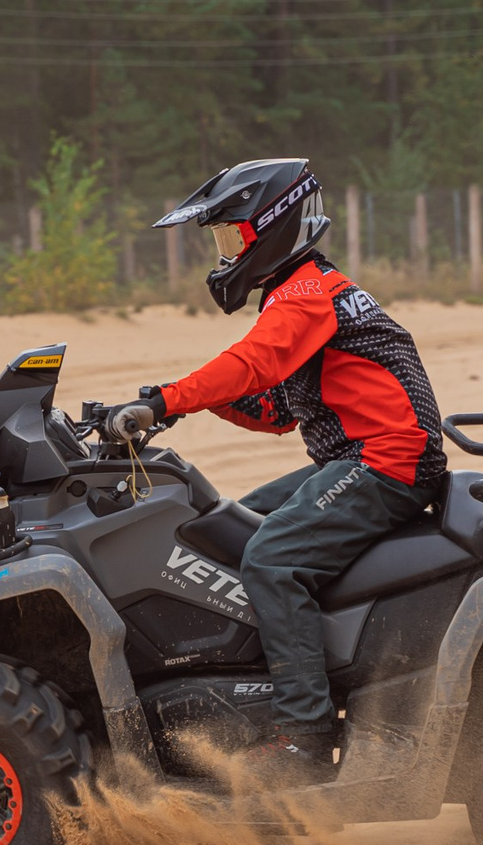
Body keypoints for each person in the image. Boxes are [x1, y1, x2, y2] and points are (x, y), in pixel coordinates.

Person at [104, 158, 447, 785]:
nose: (226, 253)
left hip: (385, 462)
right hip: (354, 458)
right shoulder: (300, 295)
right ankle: (264, 689)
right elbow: (273, 411)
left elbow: (251, 364)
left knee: (270, 559)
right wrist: (180, 405)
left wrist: (165, 399)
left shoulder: (308, 293)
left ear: (274, 227)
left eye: (232, 236)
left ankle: (304, 736)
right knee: (232, 530)